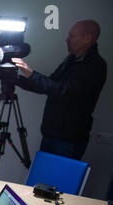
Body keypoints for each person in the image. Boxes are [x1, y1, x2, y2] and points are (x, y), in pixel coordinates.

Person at [12, 20, 107, 160]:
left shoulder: (95, 66)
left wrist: (31, 73)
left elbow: (65, 91)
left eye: (72, 36)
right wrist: (15, 79)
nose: (67, 39)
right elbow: (49, 85)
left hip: (68, 139)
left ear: (87, 39)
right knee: (42, 180)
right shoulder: (71, 60)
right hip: (51, 133)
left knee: (58, 182)